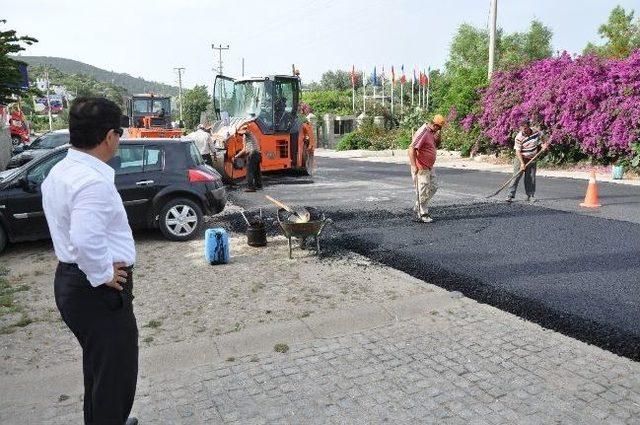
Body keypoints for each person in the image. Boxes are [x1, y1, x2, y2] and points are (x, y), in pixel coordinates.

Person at [42, 97, 139, 425]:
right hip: (95, 289)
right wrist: (101, 273)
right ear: (110, 136)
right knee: (116, 374)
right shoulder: (92, 181)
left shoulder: (61, 170)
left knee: (99, 368)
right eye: (120, 133)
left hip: (72, 280)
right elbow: (85, 238)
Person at [408, 114, 445, 223]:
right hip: (421, 167)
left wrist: (438, 137)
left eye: (440, 128)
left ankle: (418, 206)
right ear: (433, 124)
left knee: (434, 187)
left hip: (429, 166)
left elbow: (435, 146)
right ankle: (423, 213)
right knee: (422, 191)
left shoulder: (432, 132)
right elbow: (411, 149)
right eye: (438, 127)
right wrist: (414, 166)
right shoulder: (423, 131)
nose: (438, 129)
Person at [506, 119, 549, 203]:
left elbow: (542, 140)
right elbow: (517, 151)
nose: (523, 130)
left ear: (529, 127)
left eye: (525, 128)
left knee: (530, 178)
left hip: (532, 158)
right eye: (521, 128)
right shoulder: (519, 137)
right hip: (520, 158)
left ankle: (530, 195)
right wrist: (522, 163)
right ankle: (510, 195)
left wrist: (543, 145)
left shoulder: (536, 132)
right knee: (516, 177)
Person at [234, 124, 262, 192]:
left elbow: (245, 131)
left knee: (249, 171)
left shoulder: (248, 133)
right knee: (257, 171)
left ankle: (251, 187)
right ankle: (258, 185)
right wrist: (236, 156)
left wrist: (236, 131)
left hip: (252, 154)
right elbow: (244, 150)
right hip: (257, 154)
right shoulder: (247, 137)